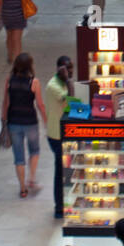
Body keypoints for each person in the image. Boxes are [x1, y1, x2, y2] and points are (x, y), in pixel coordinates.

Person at [3, 52, 48, 198]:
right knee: (34, 151)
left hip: (14, 122)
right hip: (30, 122)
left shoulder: (9, 80)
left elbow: (6, 103)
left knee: (19, 157)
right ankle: (32, 179)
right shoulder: (34, 82)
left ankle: (22, 189)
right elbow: (40, 105)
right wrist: (46, 121)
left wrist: (3, 120)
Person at [45, 55, 74, 221]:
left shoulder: (62, 83)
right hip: (57, 135)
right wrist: (68, 80)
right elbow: (70, 102)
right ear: (59, 69)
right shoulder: (54, 86)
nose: (71, 71)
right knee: (60, 172)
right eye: (67, 68)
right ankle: (59, 208)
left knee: (67, 170)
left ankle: (67, 203)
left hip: (64, 133)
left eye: (71, 68)